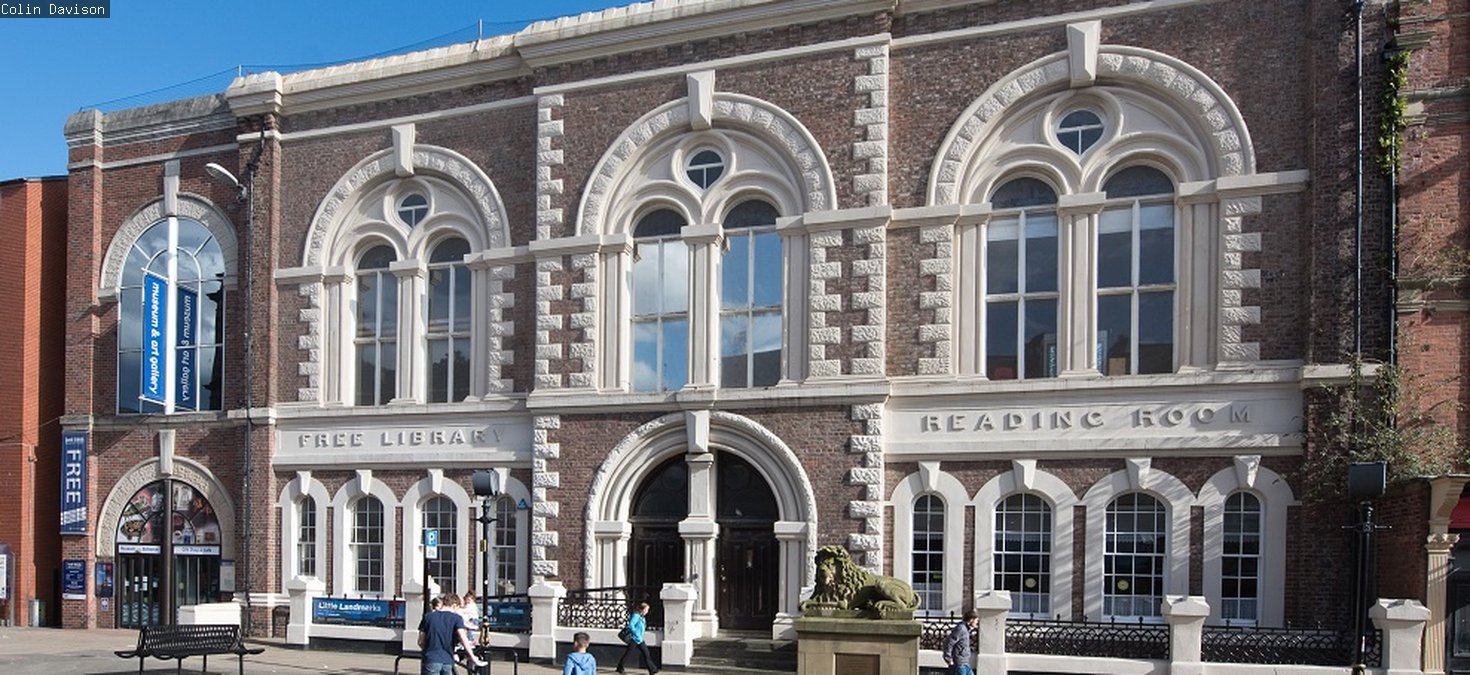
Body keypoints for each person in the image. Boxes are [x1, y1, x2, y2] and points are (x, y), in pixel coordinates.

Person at [419, 593, 485, 675]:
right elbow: (463, 638)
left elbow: (420, 641)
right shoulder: (456, 618)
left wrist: (428, 650)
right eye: (457, 608)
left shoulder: (428, 617)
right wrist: (473, 657)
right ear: (454, 605)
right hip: (448, 660)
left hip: (431, 658)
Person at [615, 602, 658, 674]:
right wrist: (636, 634)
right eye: (646, 609)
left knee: (646, 653)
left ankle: (652, 669)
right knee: (628, 654)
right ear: (642, 609)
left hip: (639, 639)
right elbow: (631, 625)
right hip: (634, 639)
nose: (647, 611)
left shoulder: (641, 617)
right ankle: (620, 667)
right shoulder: (636, 616)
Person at [942, 609, 980, 675]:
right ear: (971, 620)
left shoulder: (966, 629)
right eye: (976, 620)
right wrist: (948, 658)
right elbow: (949, 642)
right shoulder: (961, 629)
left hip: (965, 663)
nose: (977, 622)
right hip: (959, 664)